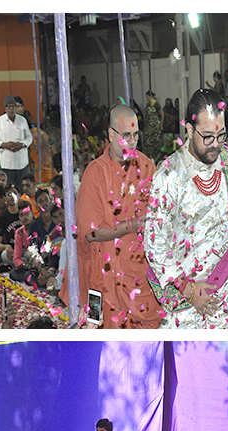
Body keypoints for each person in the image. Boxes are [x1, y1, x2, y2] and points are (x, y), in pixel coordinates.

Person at [146, 89, 228, 327]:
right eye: (208, 136)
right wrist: (187, 289)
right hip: (188, 308)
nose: (216, 145)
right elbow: (154, 244)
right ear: (189, 129)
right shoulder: (168, 175)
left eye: (221, 136)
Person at [75, 104, 162, 327]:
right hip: (106, 275)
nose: (132, 142)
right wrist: (131, 225)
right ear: (111, 135)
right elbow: (91, 233)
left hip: (141, 273)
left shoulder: (146, 166)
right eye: (126, 136)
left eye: (135, 136)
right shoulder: (96, 173)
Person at [0, 94, 33, 192]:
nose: (11, 109)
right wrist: (5, 145)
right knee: (9, 191)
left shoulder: (22, 120)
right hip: (7, 164)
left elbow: (29, 138)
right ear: (5, 108)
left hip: (22, 163)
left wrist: (22, 144)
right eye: (9, 106)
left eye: (13, 106)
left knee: (24, 190)